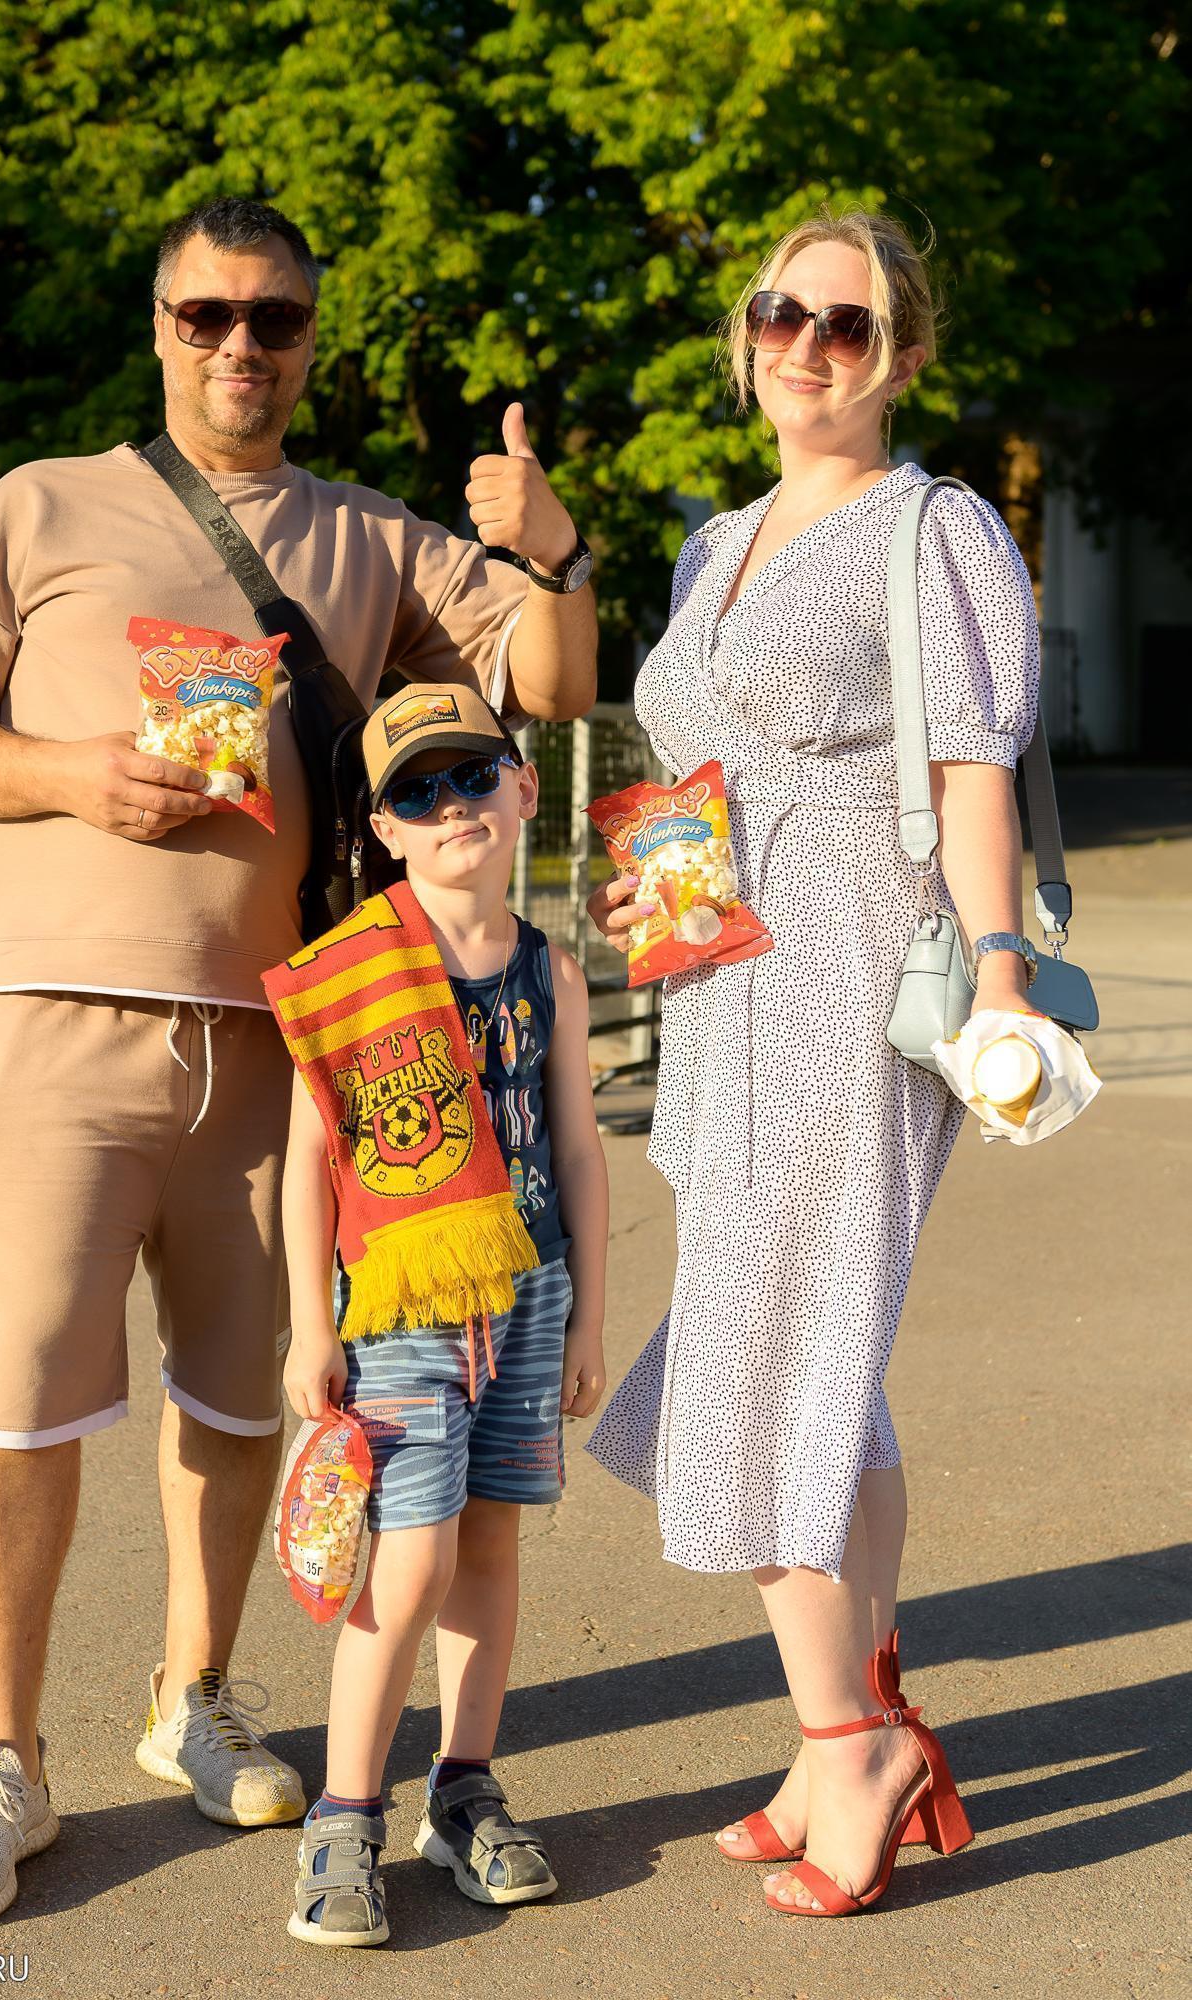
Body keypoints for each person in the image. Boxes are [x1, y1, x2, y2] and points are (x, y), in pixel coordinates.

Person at [0, 196, 597, 1928]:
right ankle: (0, 1758)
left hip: (285, 1045)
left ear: (309, 340)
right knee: (20, 1399)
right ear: (160, 326)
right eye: (208, 314)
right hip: (60, 1025)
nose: (241, 345)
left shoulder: (369, 536)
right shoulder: (39, 505)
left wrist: (555, 550)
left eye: (275, 318)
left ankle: (192, 1698)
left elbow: (552, 687)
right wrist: (69, 773)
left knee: (240, 1399)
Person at [587, 209, 1039, 1919]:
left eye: (845, 325)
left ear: (900, 355)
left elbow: (971, 770)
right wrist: (651, 886)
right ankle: (861, 1715)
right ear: (746, 333)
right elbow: (706, 772)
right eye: (781, 313)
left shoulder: (934, 528)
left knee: (769, 1352)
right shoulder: (716, 543)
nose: (806, 346)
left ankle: (850, 1747)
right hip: (721, 983)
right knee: (823, 1346)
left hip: (850, 972)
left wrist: (1003, 974)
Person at [272, 682, 609, 1948]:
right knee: (409, 1560)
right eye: (417, 791)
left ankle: (463, 1789)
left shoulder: (551, 969)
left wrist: (587, 1317)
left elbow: (579, 1148)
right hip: (403, 1302)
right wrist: (311, 1326)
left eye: (473, 774)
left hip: (529, 1292)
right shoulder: (356, 970)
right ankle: (343, 1812)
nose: (452, 804)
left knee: (491, 1547)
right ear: (384, 828)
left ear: (523, 786)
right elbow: (308, 1162)